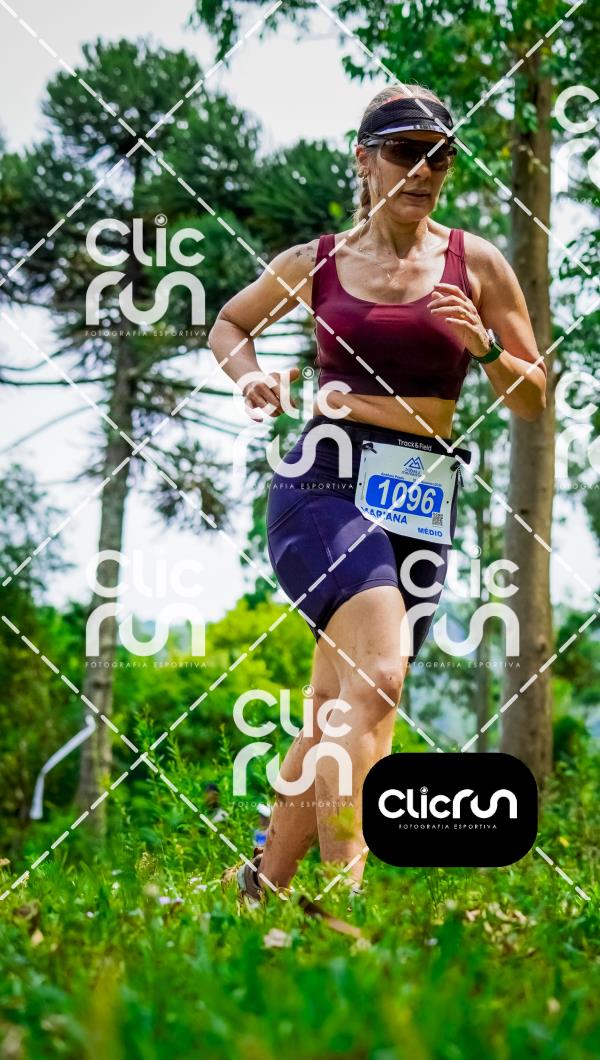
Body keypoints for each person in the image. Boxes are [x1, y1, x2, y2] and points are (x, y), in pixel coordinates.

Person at [208, 84, 547, 905]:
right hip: (325, 479)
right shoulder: (317, 263)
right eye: (406, 152)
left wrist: (486, 348)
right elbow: (229, 325)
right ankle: (344, 907)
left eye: (441, 156)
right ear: (365, 160)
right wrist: (252, 380)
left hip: (422, 495)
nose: (425, 170)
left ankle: (255, 892)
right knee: (382, 678)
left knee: (340, 702)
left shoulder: (478, 264)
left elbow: (534, 397)